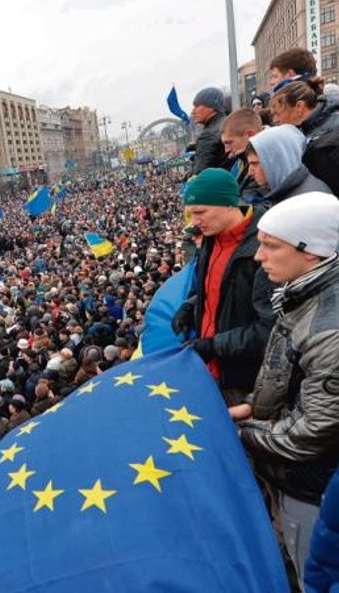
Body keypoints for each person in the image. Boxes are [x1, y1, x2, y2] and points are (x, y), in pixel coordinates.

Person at [232, 192, 339, 582]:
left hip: (315, 489)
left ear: (311, 251)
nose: (259, 257)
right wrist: (252, 407)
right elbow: (288, 373)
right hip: (298, 476)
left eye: (271, 245)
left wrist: (242, 434)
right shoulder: (303, 290)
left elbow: (312, 432)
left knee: (314, 572)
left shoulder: (332, 329)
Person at [172, 168, 276, 405]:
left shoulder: (263, 249)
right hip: (211, 370)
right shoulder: (211, 236)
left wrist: (214, 345)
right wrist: (191, 307)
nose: (194, 222)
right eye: (190, 213)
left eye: (200, 212)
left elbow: (271, 329)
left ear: (228, 204)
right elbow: (213, 290)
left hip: (245, 382)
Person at [270, 78, 339, 196]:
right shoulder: (307, 129)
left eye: (277, 113)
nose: (275, 120)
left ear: (299, 107)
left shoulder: (332, 126)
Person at [244, 124, 332, 208]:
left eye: (255, 164)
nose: (250, 172)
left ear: (277, 160)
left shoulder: (310, 200)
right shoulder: (289, 192)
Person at [220, 109, 263, 201]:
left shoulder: (262, 163)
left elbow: (249, 205)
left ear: (250, 135)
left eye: (229, 142)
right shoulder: (240, 161)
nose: (226, 149)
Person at [191, 87, 228, 173]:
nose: (193, 111)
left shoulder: (208, 135)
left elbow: (200, 175)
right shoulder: (226, 123)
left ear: (212, 107)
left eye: (197, 106)